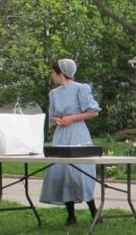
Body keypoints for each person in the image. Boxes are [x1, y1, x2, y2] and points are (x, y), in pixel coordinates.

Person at [39, 58, 102, 225]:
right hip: (61, 135)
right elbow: (53, 114)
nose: (52, 75)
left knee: (79, 172)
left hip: (77, 133)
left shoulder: (81, 88)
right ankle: (71, 216)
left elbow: (93, 112)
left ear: (60, 73)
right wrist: (57, 120)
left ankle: (94, 212)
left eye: (53, 72)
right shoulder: (54, 93)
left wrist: (72, 119)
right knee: (60, 171)